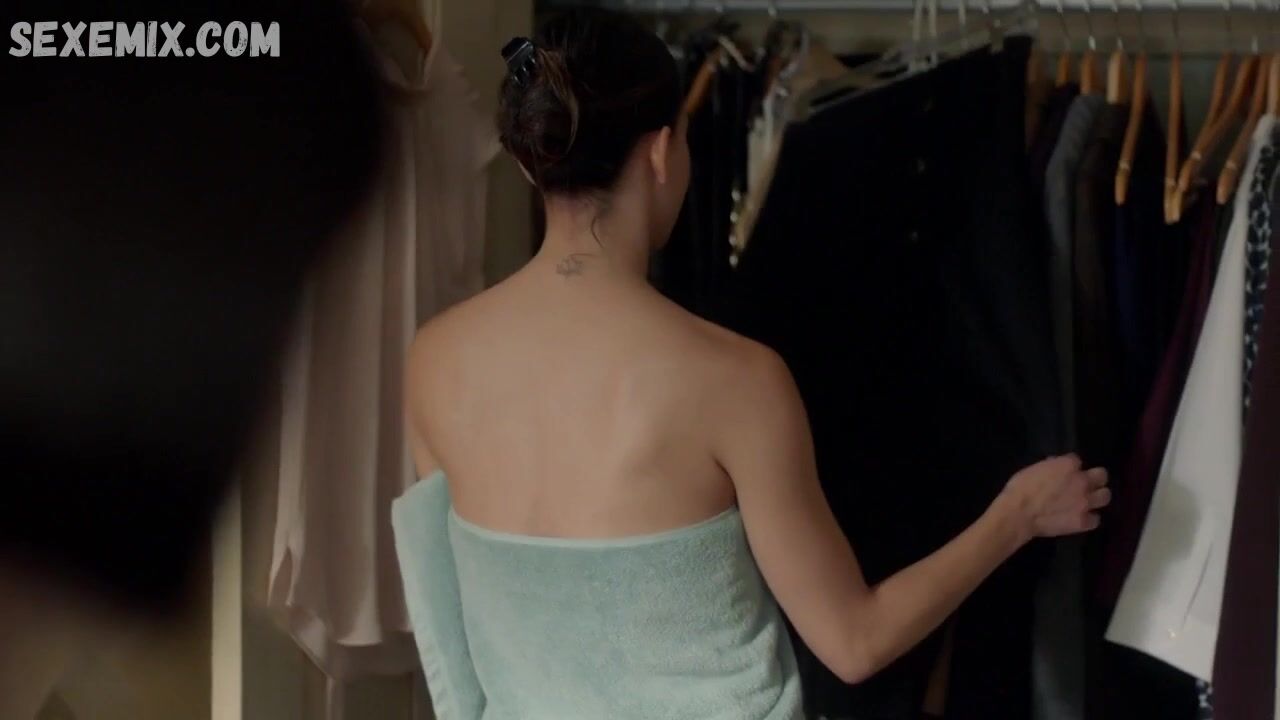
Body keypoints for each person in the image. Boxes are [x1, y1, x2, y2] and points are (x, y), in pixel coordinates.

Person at [402, 8, 1108, 718]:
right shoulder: (733, 380)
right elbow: (854, 640)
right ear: (661, 153)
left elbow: (452, 649)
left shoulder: (433, 359)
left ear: (529, 161)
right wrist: (1017, 515)